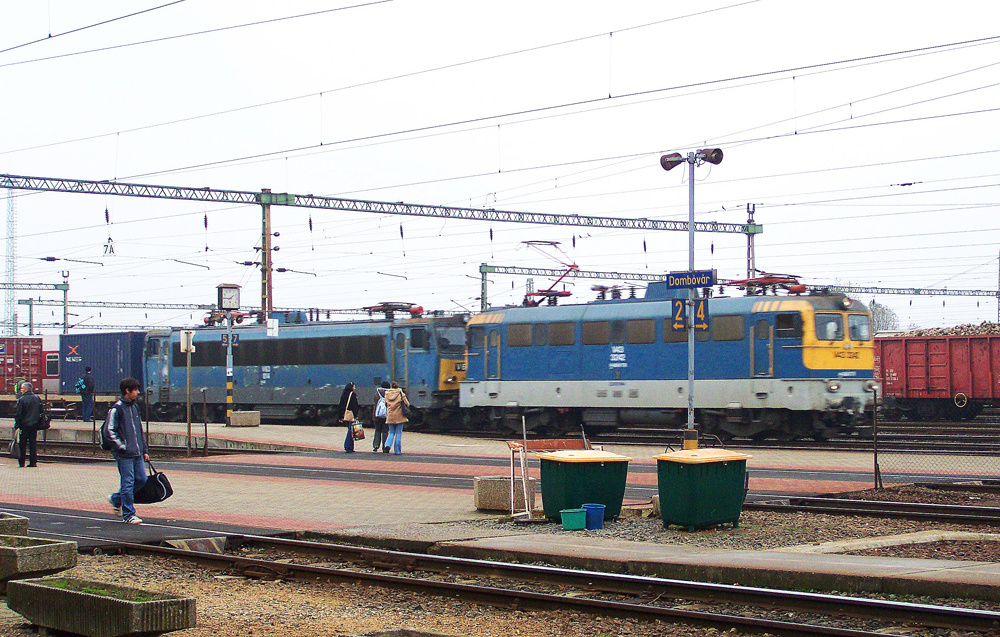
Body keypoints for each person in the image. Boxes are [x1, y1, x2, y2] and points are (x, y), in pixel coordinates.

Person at [106, 377, 149, 524]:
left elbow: (139, 431)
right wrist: (122, 447)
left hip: (136, 453)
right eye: (135, 390)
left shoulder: (134, 408)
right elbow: (109, 431)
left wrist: (144, 449)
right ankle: (129, 514)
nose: (137, 392)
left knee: (141, 480)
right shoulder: (116, 409)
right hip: (124, 454)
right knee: (128, 483)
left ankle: (115, 499)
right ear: (127, 391)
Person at [14, 382, 41, 468]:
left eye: (21, 389)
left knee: (22, 444)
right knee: (33, 444)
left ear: (25, 390)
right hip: (34, 425)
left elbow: (19, 414)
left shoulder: (22, 400)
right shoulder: (37, 398)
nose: (21, 390)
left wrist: (17, 424)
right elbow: (41, 411)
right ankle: (33, 462)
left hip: (24, 425)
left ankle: (22, 462)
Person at [383, 381, 410, 455]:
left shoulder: (387, 393)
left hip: (390, 416)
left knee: (391, 432)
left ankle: (387, 445)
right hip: (399, 416)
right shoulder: (400, 393)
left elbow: (386, 404)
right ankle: (397, 451)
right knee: (398, 433)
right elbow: (407, 403)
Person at [338, 382, 359, 453]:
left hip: (345, 415)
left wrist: (340, 417)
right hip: (351, 415)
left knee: (350, 430)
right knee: (350, 431)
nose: (355, 388)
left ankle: (350, 447)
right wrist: (356, 415)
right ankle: (347, 446)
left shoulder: (344, 395)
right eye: (354, 386)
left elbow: (341, 406)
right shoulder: (352, 395)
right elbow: (354, 406)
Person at [372, 381, 390, 453]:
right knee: (385, 431)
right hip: (386, 415)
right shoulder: (389, 394)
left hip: (377, 416)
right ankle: (384, 447)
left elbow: (374, 401)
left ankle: (375, 445)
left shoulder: (377, 394)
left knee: (377, 430)